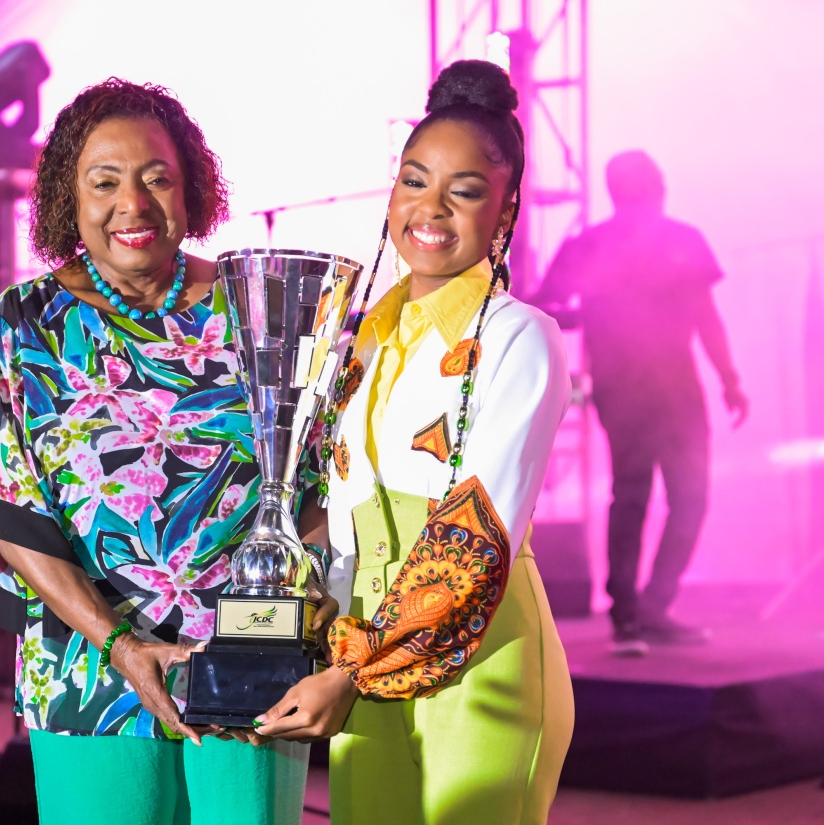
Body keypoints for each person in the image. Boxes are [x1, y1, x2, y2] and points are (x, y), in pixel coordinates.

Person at [0, 78, 309, 825]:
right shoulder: (26, 323)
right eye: (104, 181)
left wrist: (303, 619)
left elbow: (317, 484)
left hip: (243, 658)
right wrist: (121, 644)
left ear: (191, 187)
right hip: (86, 661)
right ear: (67, 198)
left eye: (156, 178)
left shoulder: (259, 303)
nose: (132, 203)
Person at [254, 60, 574, 825]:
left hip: (481, 667)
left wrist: (351, 670)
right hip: (359, 658)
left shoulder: (518, 337)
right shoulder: (358, 341)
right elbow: (337, 521)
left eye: (463, 191)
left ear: (503, 214)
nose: (430, 208)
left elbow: (472, 540)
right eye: (413, 181)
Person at [529, 150, 749, 656]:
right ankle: (649, 607)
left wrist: (593, 316)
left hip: (621, 384)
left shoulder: (589, 245)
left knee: (630, 494)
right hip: (675, 385)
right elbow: (706, 317)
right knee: (687, 496)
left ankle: (630, 615)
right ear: (658, 186)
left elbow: (545, 306)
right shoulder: (682, 239)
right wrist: (730, 380)